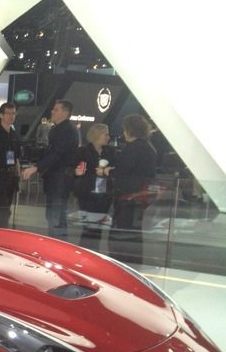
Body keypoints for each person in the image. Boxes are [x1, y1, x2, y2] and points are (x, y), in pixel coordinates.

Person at [21, 99, 77, 238]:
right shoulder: (58, 129)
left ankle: (58, 247)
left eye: (56, 109)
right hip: (55, 179)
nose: (52, 111)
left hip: (60, 179)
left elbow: (57, 153)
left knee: (56, 217)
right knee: (54, 216)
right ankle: (57, 244)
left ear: (65, 113)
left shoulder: (67, 130)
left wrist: (37, 167)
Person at [107, 114, 157, 264]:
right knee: (134, 231)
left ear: (129, 129)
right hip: (140, 194)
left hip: (127, 194)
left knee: (122, 230)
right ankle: (133, 261)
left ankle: (121, 262)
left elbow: (123, 169)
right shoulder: (149, 147)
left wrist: (109, 171)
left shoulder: (133, 148)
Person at [71, 123, 114, 251]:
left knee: (99, 226)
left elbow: (116, 168)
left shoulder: (110, 151)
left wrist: (109, 171)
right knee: (88, 226)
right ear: (97, 135)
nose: (108, 137)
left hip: (104, 194)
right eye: (106, 134)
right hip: (87, 193)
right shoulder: (83, 151)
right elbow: (71, 168)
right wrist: (76, 172)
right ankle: (85, 252)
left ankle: (94, 252)